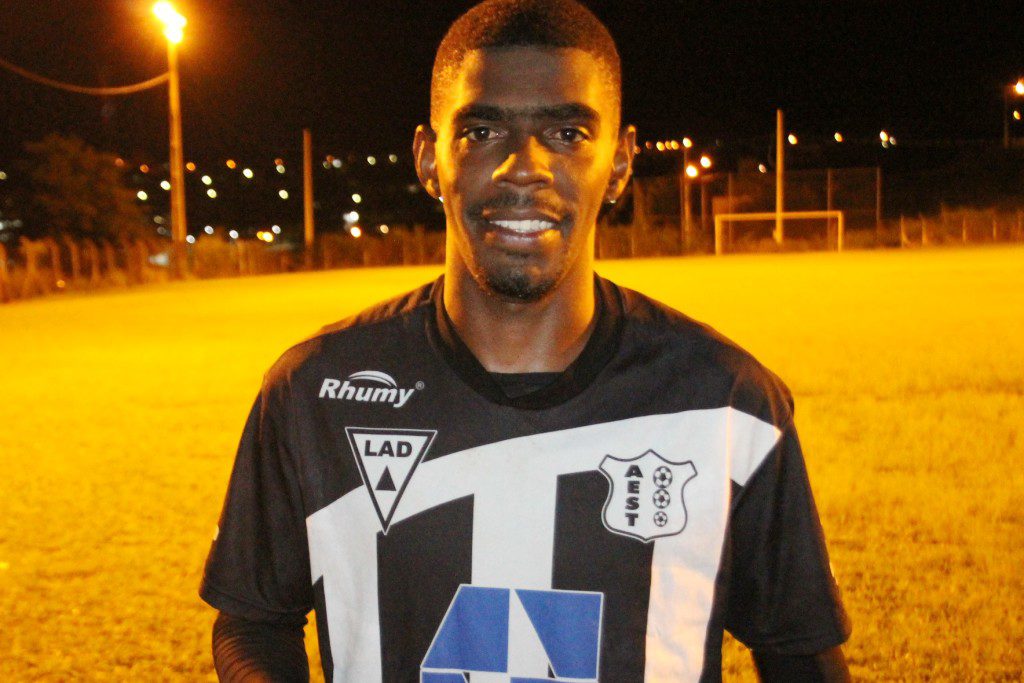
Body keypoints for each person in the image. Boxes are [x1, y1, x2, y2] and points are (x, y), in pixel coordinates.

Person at [200, 1, 852, 680]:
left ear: (620, 161)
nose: (523, 166)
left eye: (568, 133)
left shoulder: (729, 403)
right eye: (482, 131)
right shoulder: (313, 393)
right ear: (429, 159)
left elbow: (798, 651)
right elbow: (254, 620)